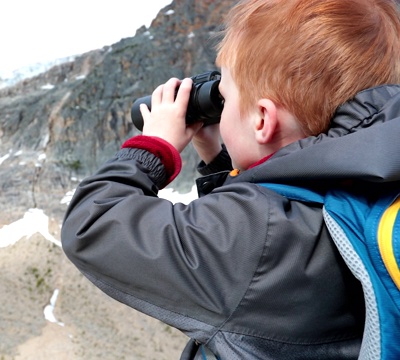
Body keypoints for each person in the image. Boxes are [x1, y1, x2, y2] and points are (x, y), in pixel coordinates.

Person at [60, 0, 400, 358]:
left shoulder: (257, 236)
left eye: (225, 98)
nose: (221, 113)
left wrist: (155, 146)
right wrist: (221, 158)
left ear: (262, 120)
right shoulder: (368, 182)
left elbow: (93, 223)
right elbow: (285, 200)